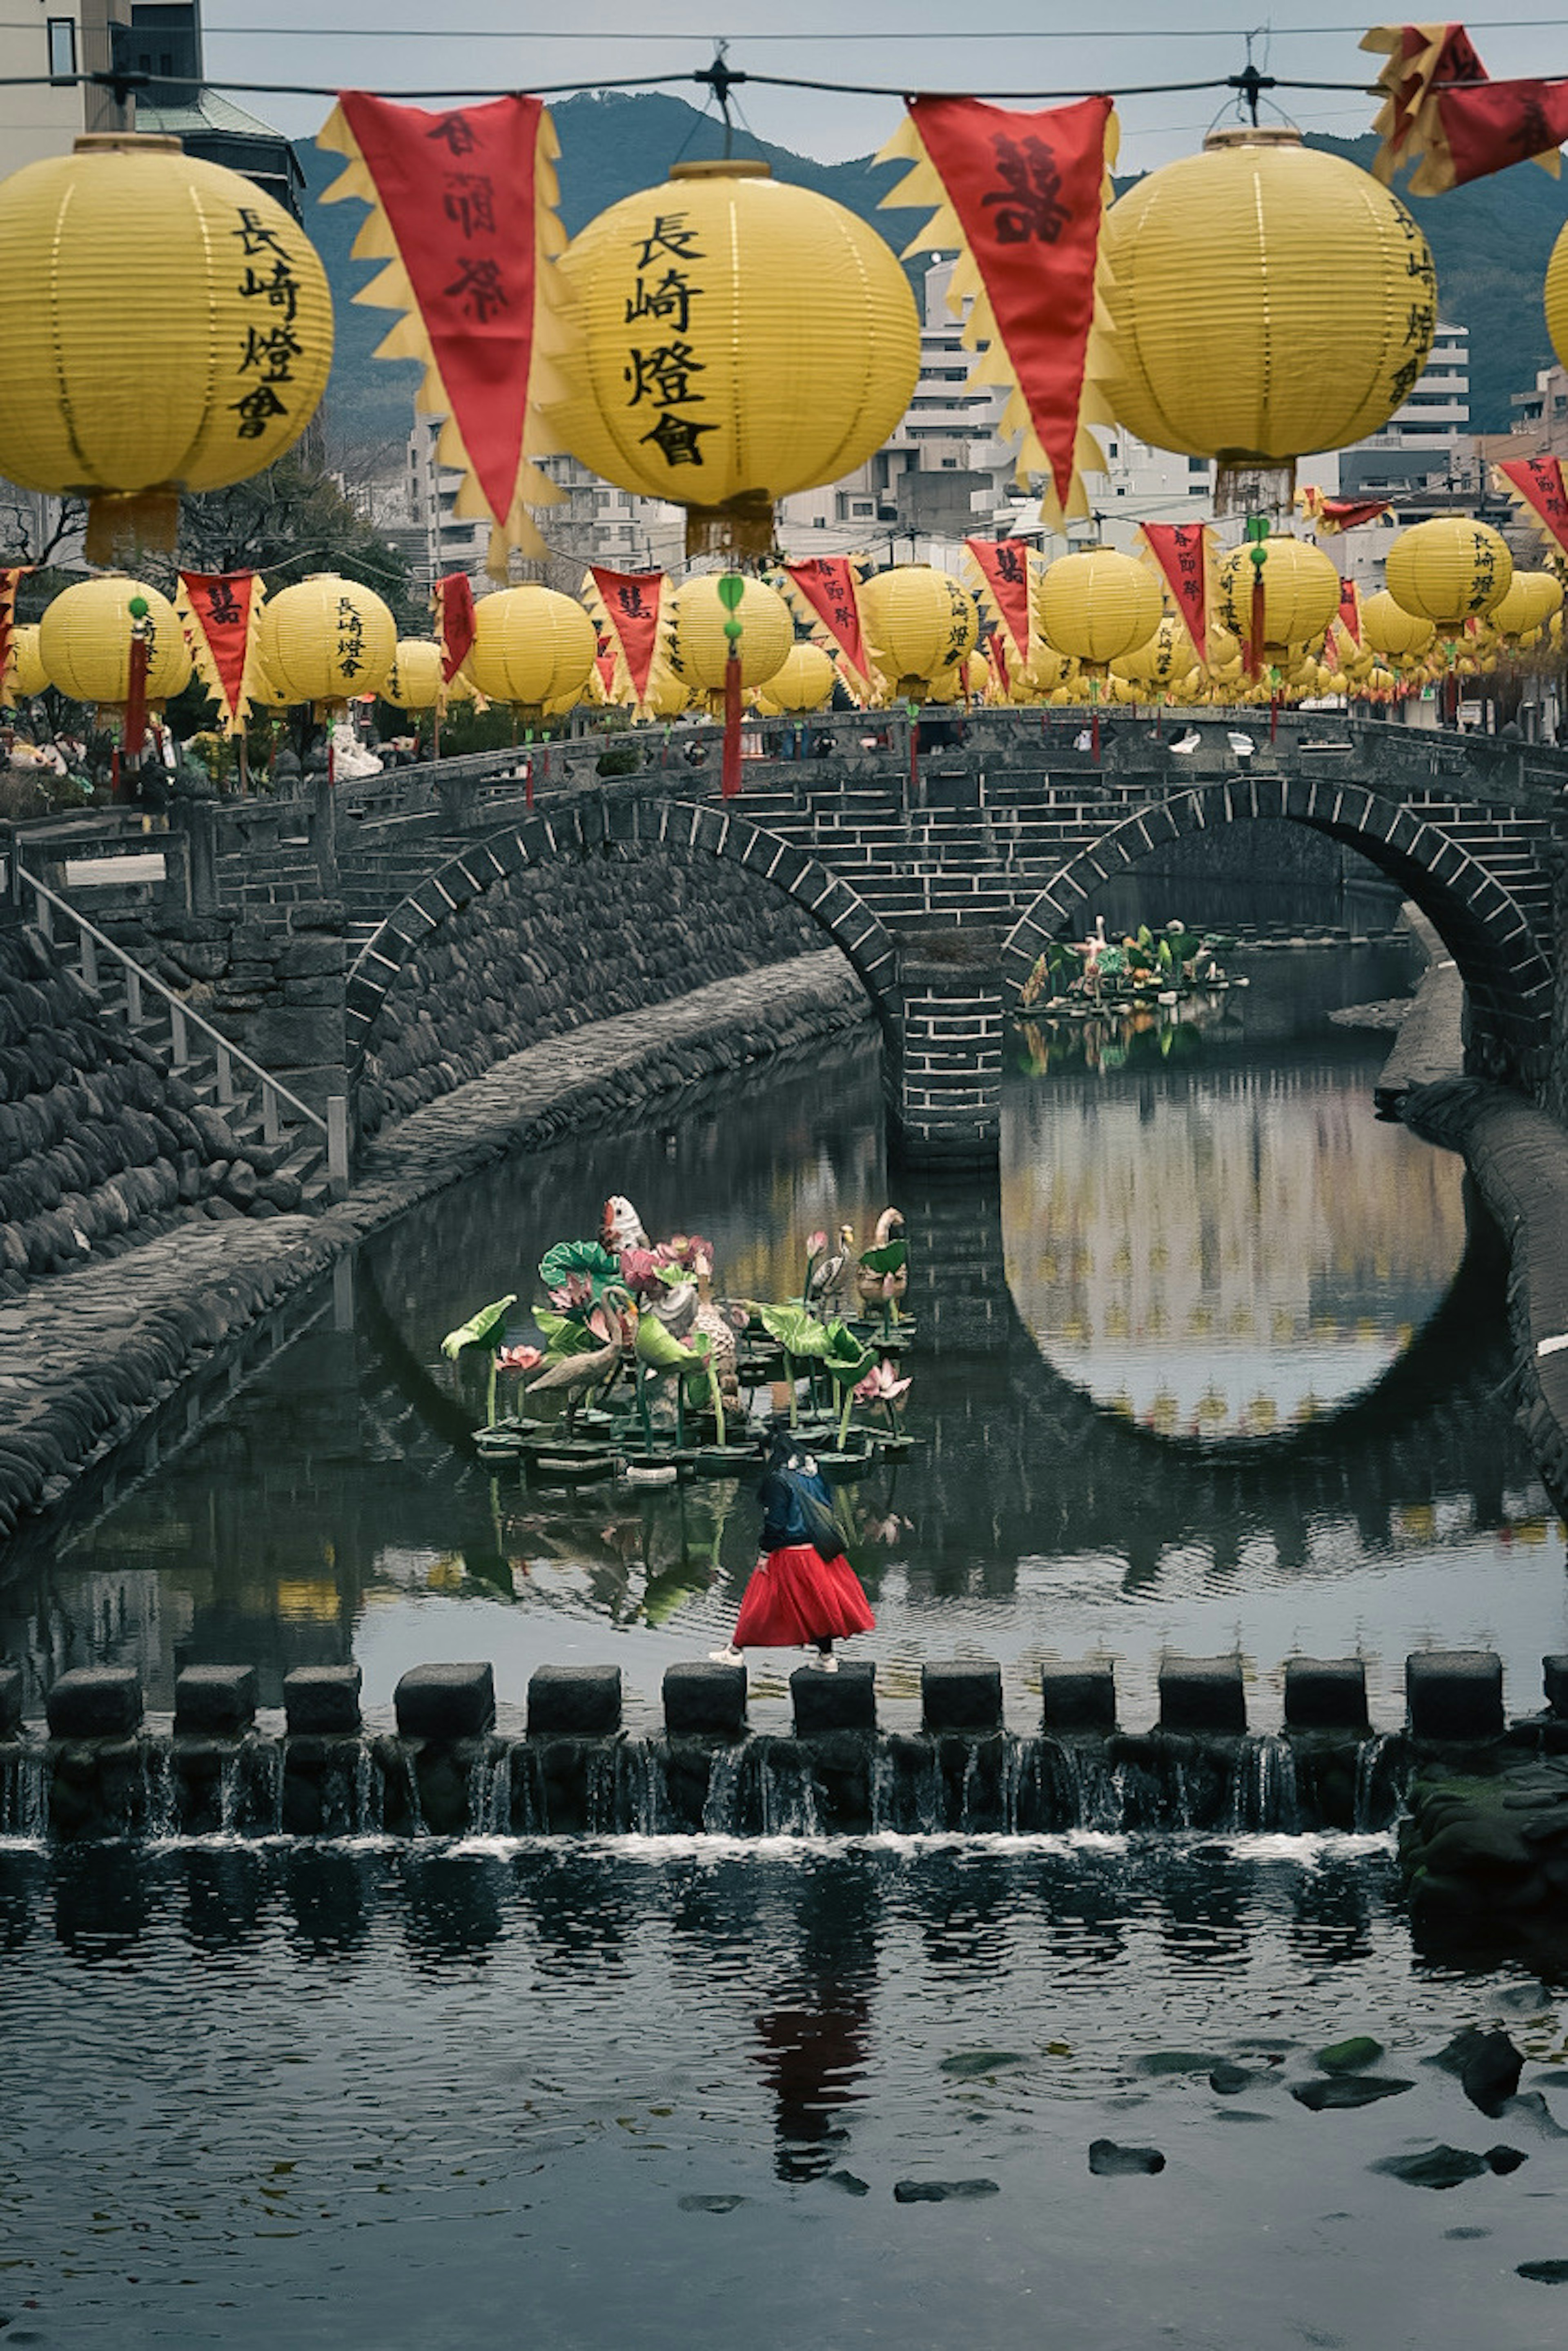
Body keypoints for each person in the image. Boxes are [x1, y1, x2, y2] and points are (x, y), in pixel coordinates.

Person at [710, 1436, 875, 1672]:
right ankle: (826, 1658)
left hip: (791, 1553)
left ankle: (735, 1652)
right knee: (818, 1607)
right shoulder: (813, 1474)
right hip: (819, 1552)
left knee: (757, 1604)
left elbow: (775, 1523)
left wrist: (765, 1554)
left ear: (772, 1452)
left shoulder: (778, 1480)